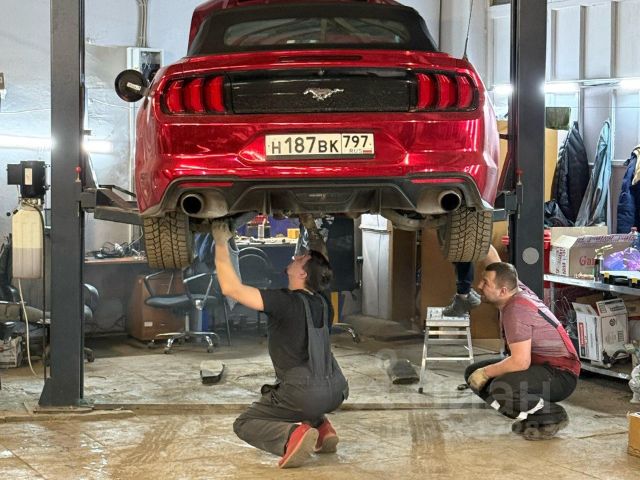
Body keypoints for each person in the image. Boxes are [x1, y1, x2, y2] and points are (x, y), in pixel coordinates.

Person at [211, 219, 349, 469]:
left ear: (303, 274)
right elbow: (322, 264)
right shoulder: (323, 302)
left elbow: (231, 289)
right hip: (336, 391)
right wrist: (312, 228)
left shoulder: (283, 302)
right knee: (307, 393)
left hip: (304, 395)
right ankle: (322, 428)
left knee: (244, 423)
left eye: (301, 258)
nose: (296, 255)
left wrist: (221, 243)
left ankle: (291, 437)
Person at [465, 245, 580, 440]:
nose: (479, 286)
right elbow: (496, 262)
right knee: (472, 373)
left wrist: (485, 372)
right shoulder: (514, 288)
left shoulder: (516, 311)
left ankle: (551, 415)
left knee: (501, 386)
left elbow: (520, 362)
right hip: (543, 366)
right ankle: (532, 417)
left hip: (561, 375)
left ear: (502, 291)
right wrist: (477, 235)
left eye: (485, 283)